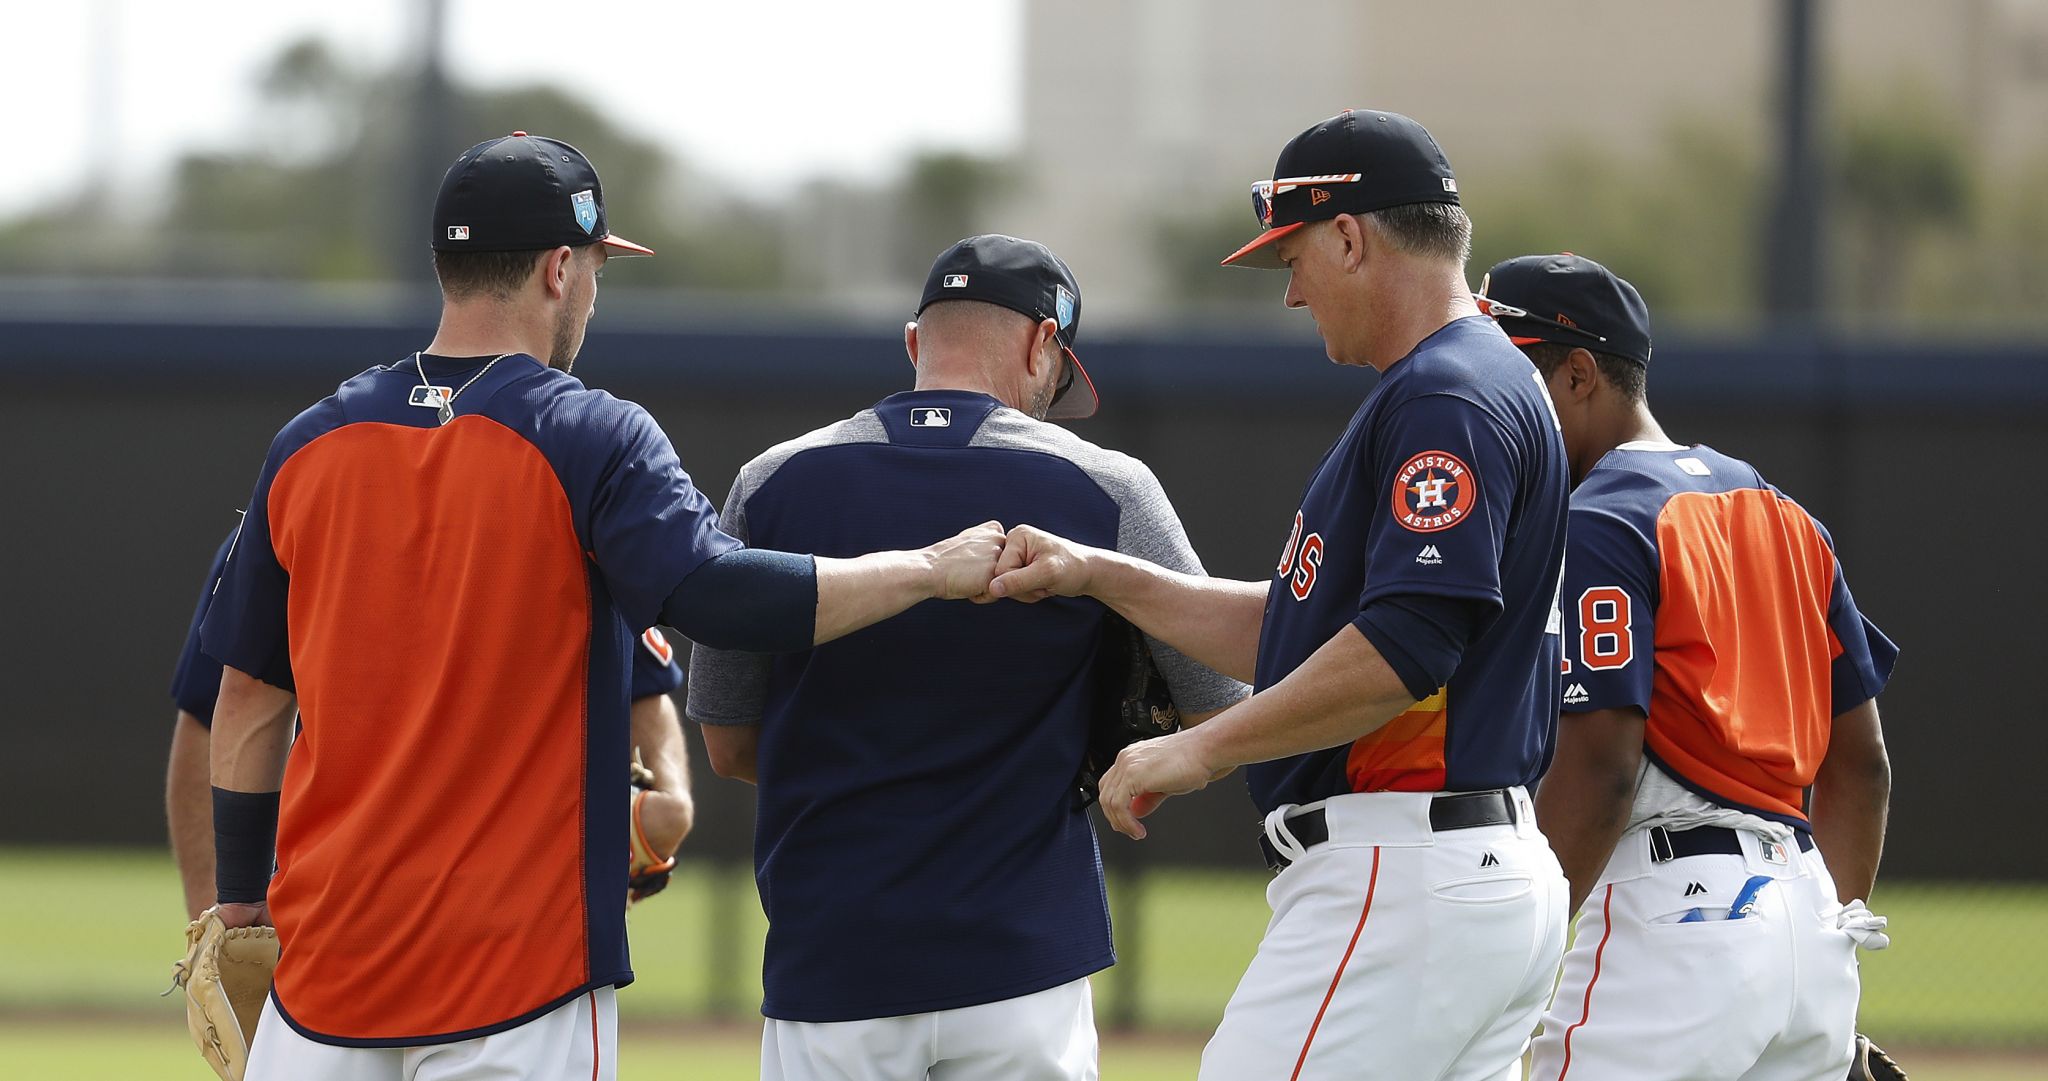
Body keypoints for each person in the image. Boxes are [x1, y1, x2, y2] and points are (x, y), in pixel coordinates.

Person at [199, 132, 1004, 1081]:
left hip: (326, 979)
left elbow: (250, 701)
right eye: (592, 267)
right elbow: (720, 594)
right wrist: (924, 569)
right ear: (556, 270)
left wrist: (245, 897)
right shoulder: (589, 433)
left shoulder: (309, 443)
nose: (592, 289)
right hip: (518, 978)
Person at [988, 110, 1572, 1081]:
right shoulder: (1474, 381)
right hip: (1466, 872)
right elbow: (1302, 634)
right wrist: (1100, 572)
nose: (1293, 291)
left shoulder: (1444, 395)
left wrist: (1198, 746)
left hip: (1401, 871)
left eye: (1294, 256)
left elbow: (1405, 644)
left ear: (1349, 236)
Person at [686, 234, 1247, 1081]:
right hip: (1025, 963)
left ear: (916, 342)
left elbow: (729, 747)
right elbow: (1219, 707)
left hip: (833, 963)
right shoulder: (1108, 485)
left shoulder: (772, 481)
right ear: (1042, 345)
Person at [1474, 253, 1897, 1081]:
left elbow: (1602, 772)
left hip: (1672, 924)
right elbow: (1865, 767)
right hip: (1811, 930)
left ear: (1580, 375)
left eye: (1508, 373)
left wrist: (1514, 960)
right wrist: (1817, 931)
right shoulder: (1787, 517)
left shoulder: (1596, 520)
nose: (1490, 404)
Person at [166, 525, 696, 921]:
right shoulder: (293, 521)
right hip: (325, 908)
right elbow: (212, 716)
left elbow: (645, 683)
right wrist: (218, 914)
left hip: (498, 919)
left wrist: (672, 802)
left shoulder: (564, 522)